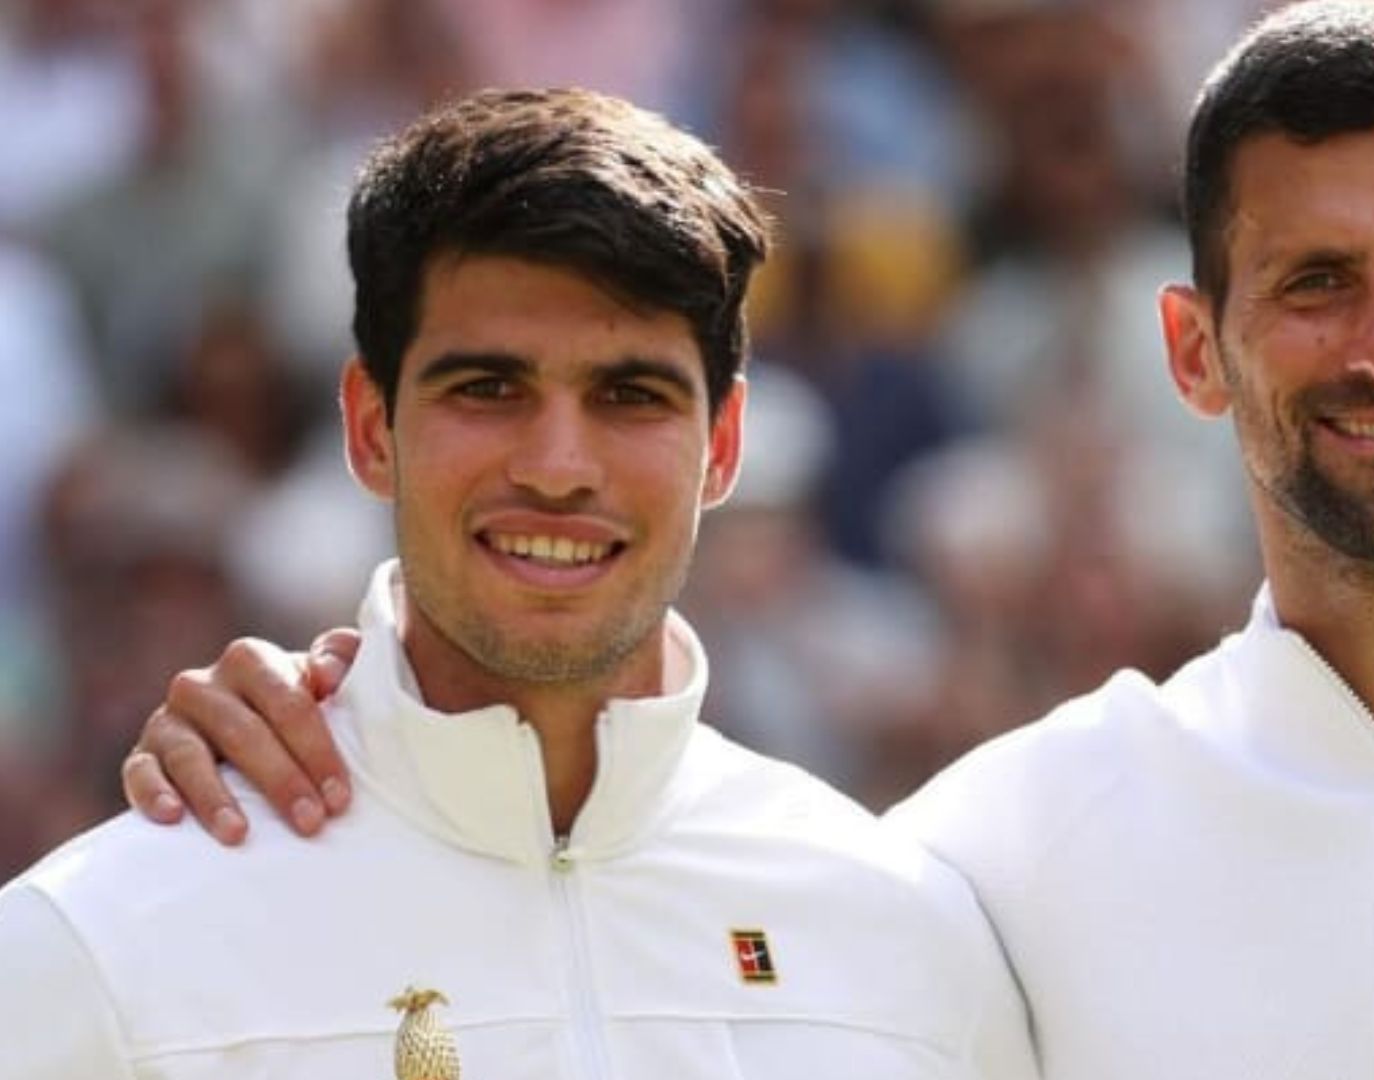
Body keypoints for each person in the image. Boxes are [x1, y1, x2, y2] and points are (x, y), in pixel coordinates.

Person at [124, 3, 1374, 1077]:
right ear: (1193, 351)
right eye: (1311, 282)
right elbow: (592, 922)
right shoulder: (997, 859)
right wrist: (336, 742)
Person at [0, 87, 1037, 1080]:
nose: (556, 466)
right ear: (371, 427)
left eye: (629, 394)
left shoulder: (903, 933)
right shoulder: (106, 942)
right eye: (489, 389)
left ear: (722, 447)